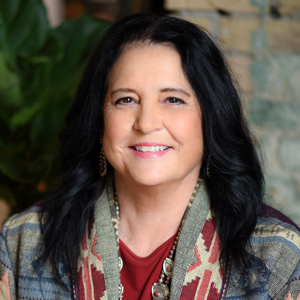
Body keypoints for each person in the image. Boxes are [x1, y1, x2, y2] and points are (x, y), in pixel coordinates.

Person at [1, 13, 300, 300]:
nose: (146, 123)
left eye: (173, 99)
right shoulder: (23, 240)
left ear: (211, 118)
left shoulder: (277, 253)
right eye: (126, 99)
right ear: (100, 118)